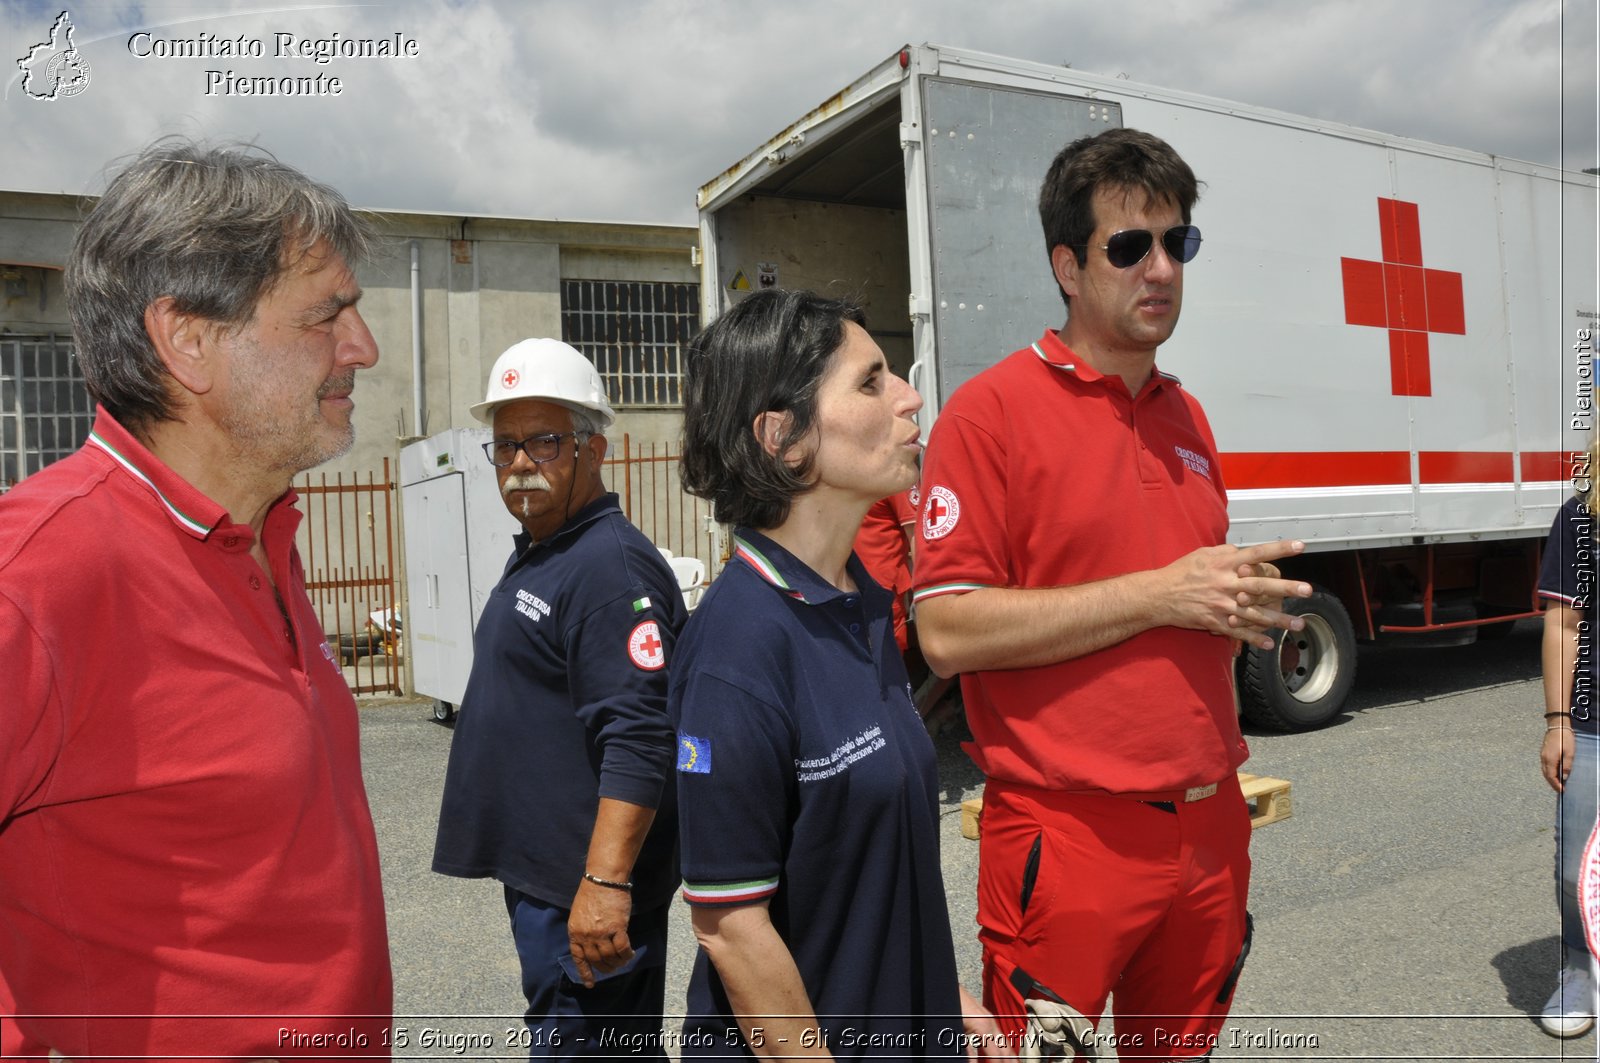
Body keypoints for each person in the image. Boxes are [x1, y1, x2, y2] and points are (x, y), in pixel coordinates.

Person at [912, 127, 1312, 1060]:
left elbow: (1175, 594)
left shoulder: (1186, 414)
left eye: (1179, 243)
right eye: (1130, 247)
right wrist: (1162, 593)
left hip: (1212, 825)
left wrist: (1228, 608)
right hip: (1068, 835)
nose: (1161, 268)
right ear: (1067, 263)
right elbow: (946, 628)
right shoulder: (989, 414)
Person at [0, 138, 392, 1059]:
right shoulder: (38, 574)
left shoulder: (265, 535)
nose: (362, 348)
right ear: (187, 339)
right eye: (325, 316)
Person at [672, 287, 1001, 1059]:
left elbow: (863, 870)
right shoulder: (736, 649)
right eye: (870, 381)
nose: (910, 397)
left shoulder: (856, 602)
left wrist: (941, 996)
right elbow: (732, 925)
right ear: (782, 438)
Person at [432, 338, 685, 1057]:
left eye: (544, 440)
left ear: (593, 449)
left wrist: (605, 882)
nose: (519, 462)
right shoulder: (550, 549)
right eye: (505, 444)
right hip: (552, 881)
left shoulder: (608, 566)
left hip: (587, 889)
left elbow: (640, 735)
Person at [1535, 433, 1600, 1037]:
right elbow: (1562, 623)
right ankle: (1579, 968)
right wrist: (1559, 723)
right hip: (1593, 720)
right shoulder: (1584, 515)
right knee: (1574, 863)